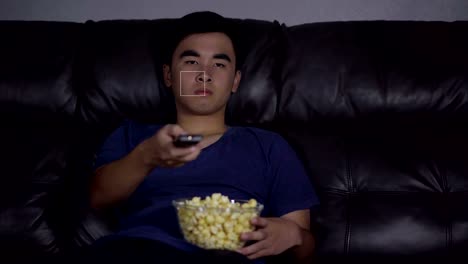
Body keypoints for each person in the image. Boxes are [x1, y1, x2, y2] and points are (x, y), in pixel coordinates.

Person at [85, 11, 319, 264]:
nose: (204, 74)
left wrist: (293, 235)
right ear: (168, 76)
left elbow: (304, 250)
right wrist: (147, 156)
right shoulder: (133, 135)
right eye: (191, 62)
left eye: (219, 64)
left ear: (235, 81)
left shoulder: (269, 146)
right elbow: (99, 197)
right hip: (139, 251)